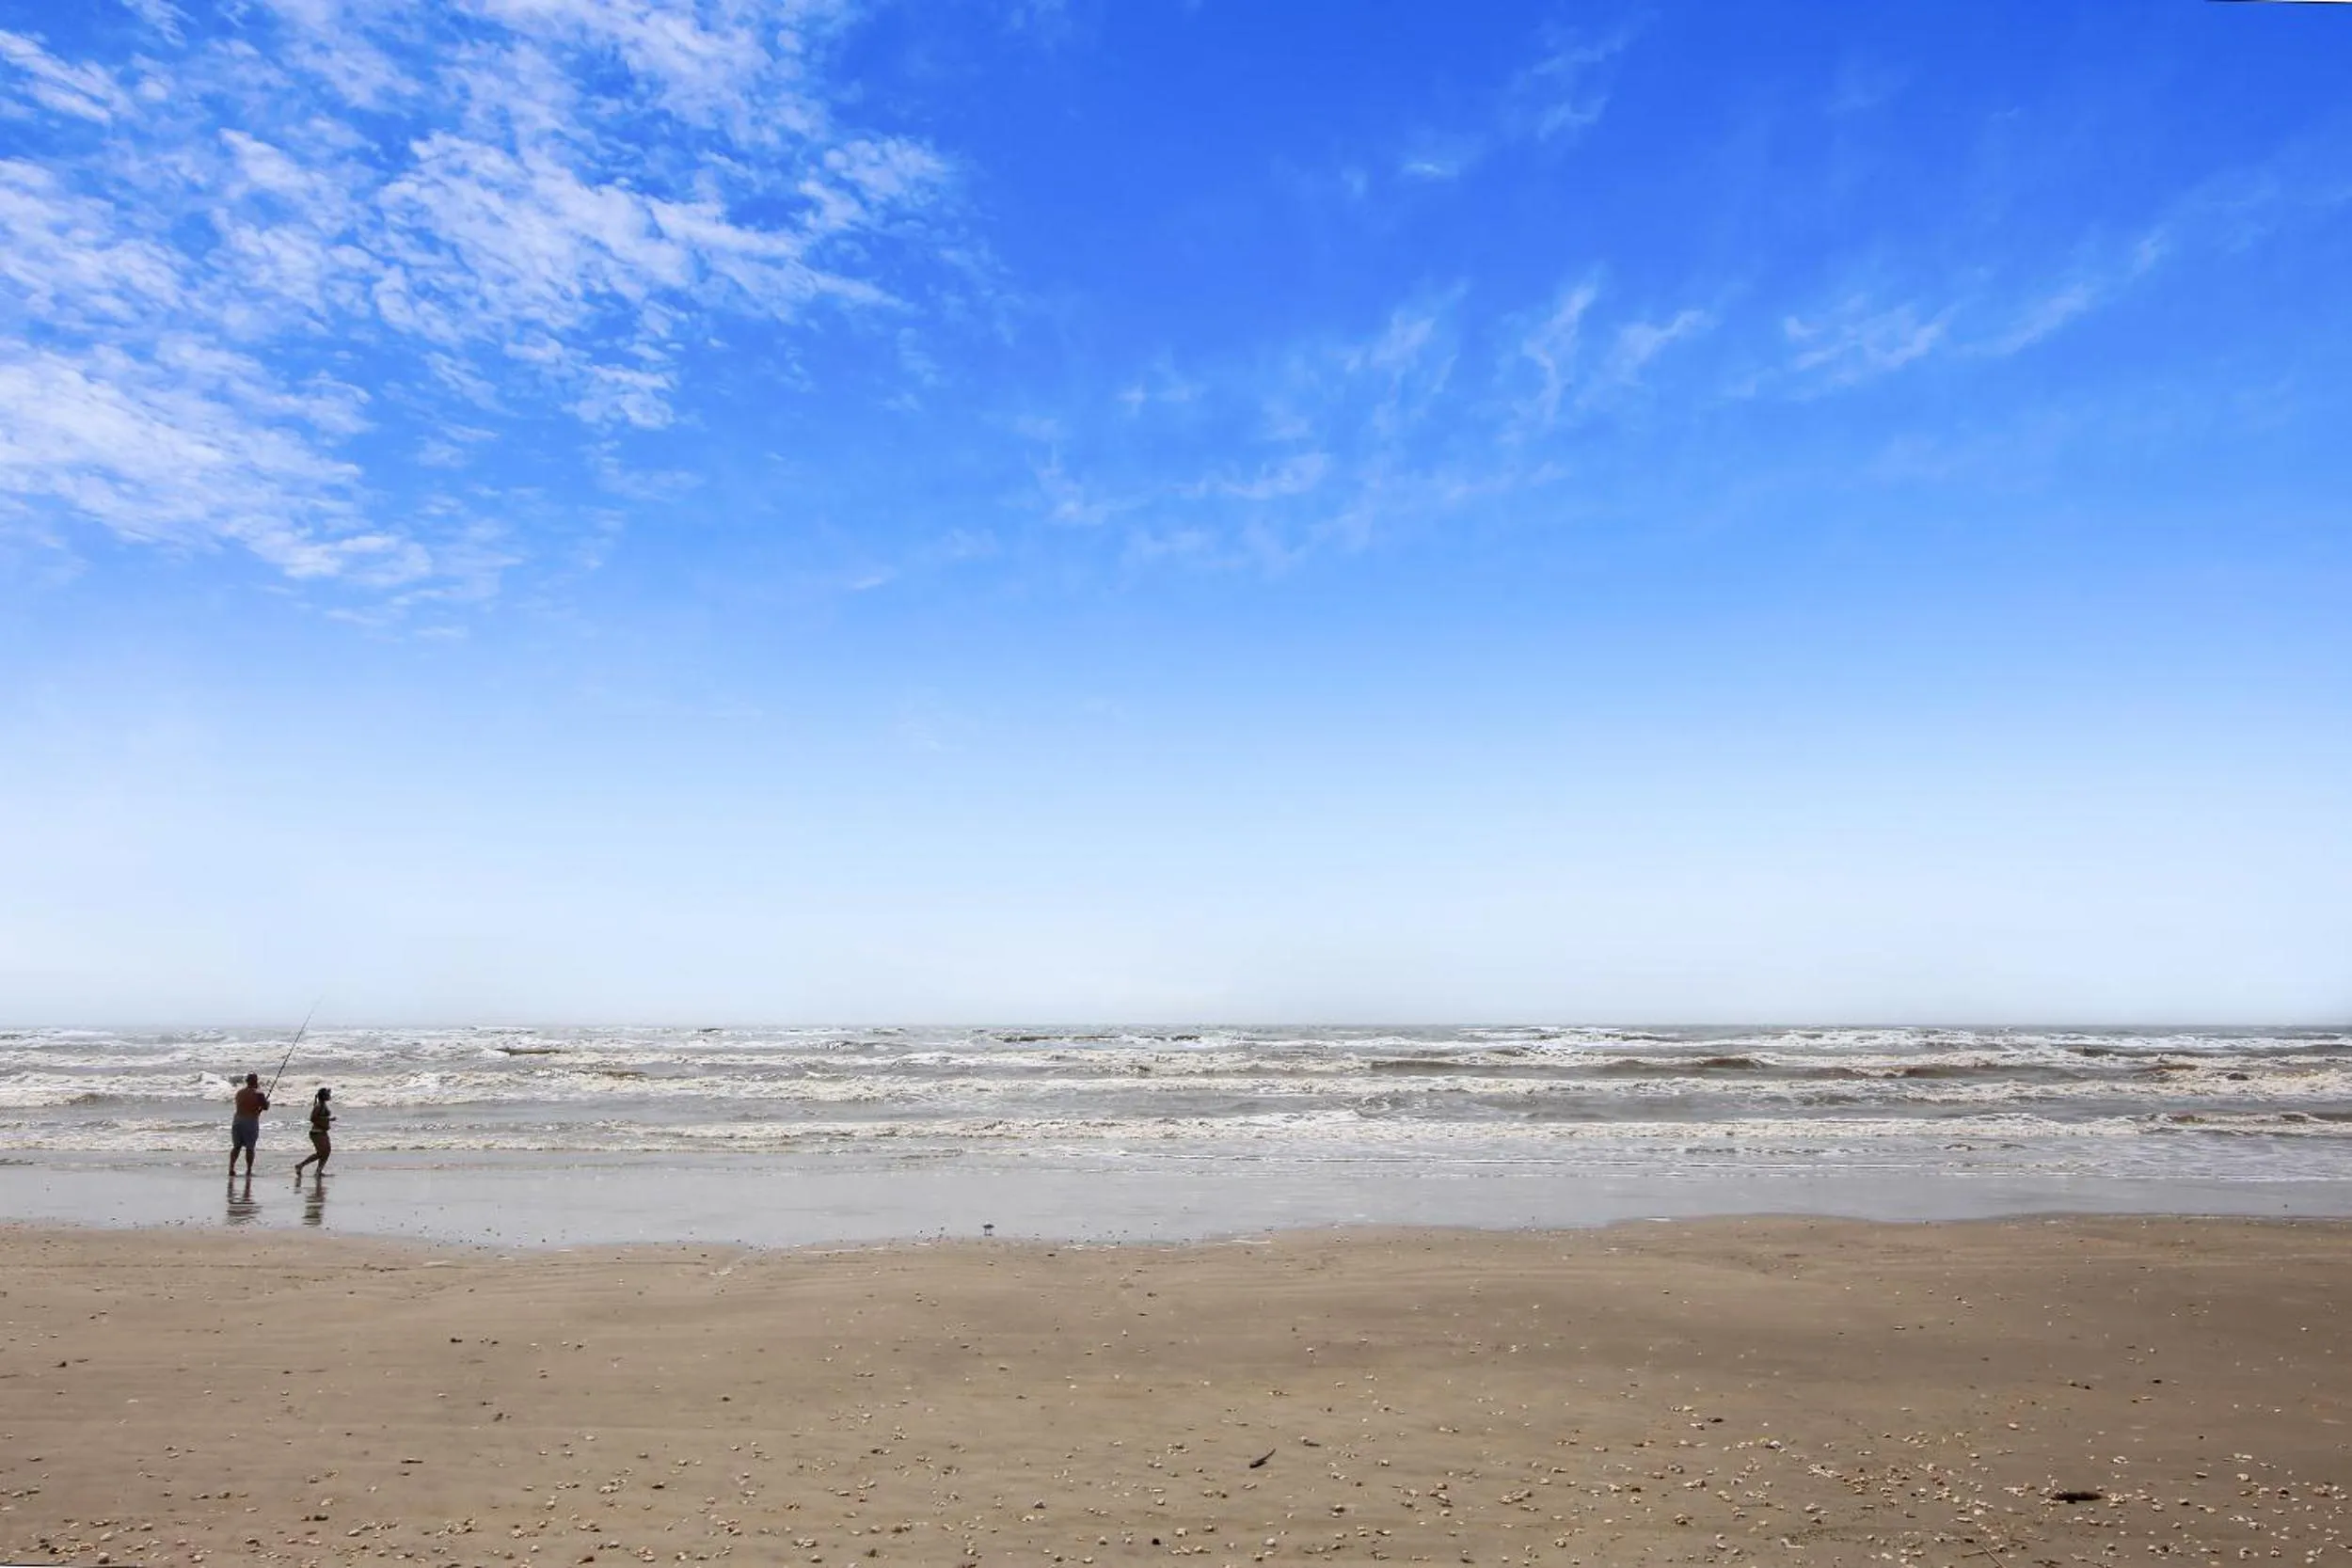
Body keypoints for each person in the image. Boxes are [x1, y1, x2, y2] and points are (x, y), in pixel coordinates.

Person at [229, 1073, 269, 1178]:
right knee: (250, 1148)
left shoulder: (239, 1093)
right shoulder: (258, 1094)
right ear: (255, 1081)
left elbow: (245, 1105)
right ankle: (249, 1170)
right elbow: (265, 1107)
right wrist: (267, 1102)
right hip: (250, 1122)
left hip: (237, 1121)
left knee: (236, 1147)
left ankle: (231, 1168)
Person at [293, 1086, 334, 1181]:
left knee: (327, 1152)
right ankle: (300, 1165)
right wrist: (328, 1119)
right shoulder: (319, 1106)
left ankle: (319, 1171)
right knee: (321, 1153)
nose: (329, 1096)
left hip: (322, 1132)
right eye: (328, 1094)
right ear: (324, 1096)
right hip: (317, 1132)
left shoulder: (323, 1104)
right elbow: (313, 1118)